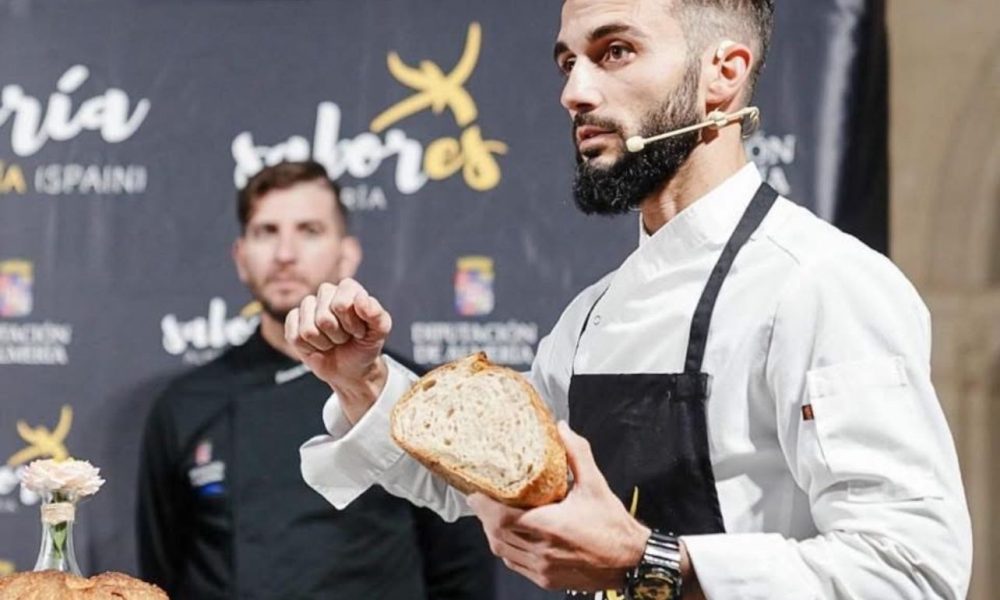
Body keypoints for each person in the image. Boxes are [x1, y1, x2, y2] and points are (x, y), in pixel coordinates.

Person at [289, 1, 973, 599]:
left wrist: (648, 562)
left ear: (723, 74)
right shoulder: (591, 317)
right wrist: (363, 383)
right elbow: (481, 478)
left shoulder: (823, 284)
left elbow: (910, 572)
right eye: (568, 62)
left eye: (614, 51)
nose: (574, 92)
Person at [136, 161, 493, 599]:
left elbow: (462, 570)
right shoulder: (185, 405)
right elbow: (158, 578)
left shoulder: (413, 397)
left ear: (347, 254)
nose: (285, 253)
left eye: (309, 230)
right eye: (266, 231)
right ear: (241, 258)